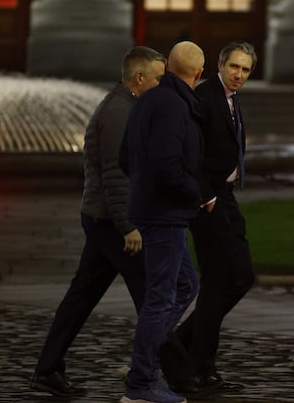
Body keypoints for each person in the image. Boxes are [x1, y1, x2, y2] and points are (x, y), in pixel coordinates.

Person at [29, 46, 167, 398]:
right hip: (112, 223)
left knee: (81, 297)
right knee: (152, 295)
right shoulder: (119, 112)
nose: (161, 85)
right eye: (158, 79)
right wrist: (128, 226)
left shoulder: (126, 107)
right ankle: (159, 374)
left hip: (104, 219)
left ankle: (47, 369)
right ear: (139, 79)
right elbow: (115, 176)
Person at [159, 41, 258, 397]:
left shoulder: (229, 98)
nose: (239, 75)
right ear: (219, 64)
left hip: (225, 197)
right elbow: (188, 152)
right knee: (218, 285)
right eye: (234, 67)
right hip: (210, 201)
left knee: (241, 277)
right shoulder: (205, 97)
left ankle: (179, 346)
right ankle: (201, 369)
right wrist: (207, 196)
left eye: (245, 70)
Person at [119, 41, 207, 403]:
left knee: (186, 286)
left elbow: (127, 158)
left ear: (169, 67)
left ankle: (144, 360)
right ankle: (140, 383)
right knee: (162, 297)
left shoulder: (150, 100)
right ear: (199, 74)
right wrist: (197, 192)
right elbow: (168, 166)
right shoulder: (173, 105)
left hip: (157, 210)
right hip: (165, 213)